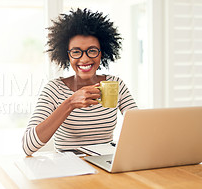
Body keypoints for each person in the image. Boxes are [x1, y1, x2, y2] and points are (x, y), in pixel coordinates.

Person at [22, 8, 138, 156]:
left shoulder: (116, 85)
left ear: (101, 53)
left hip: (106, 167)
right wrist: (69, 103)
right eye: (76, 52)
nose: (84, 59)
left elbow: (140, 128)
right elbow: (27, 146)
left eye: (92, 50)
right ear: (67, 55)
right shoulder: (54, 89)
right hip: (69, 168)